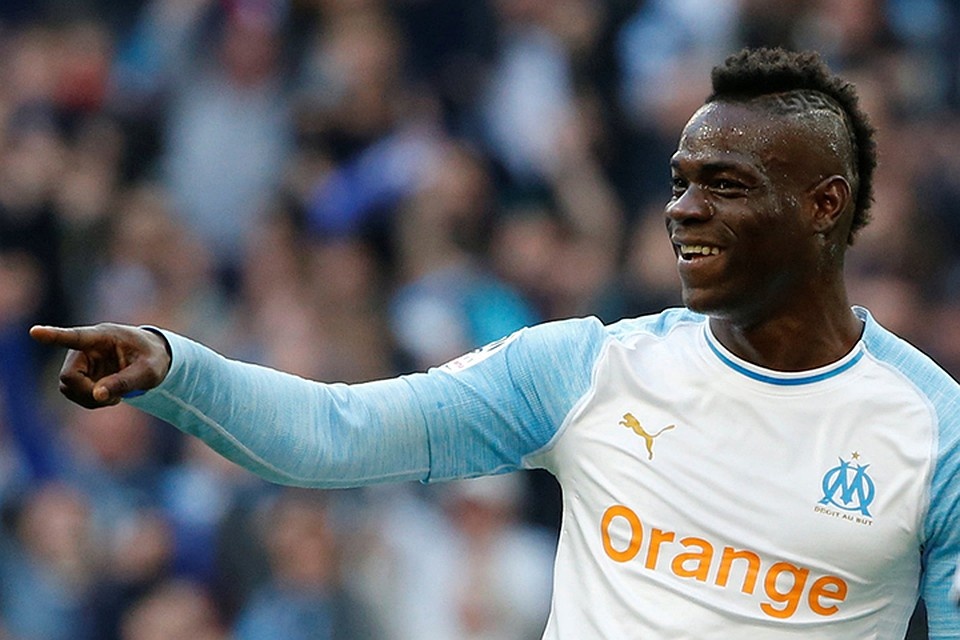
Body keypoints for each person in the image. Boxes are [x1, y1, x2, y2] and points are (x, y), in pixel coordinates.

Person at [29, 48, 960, 638]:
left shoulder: (935, 433)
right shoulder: (587, 369)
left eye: (724, 185)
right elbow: (337, 434)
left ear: (823, 205)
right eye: (680, 182)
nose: (682, 210)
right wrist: (175, 366)